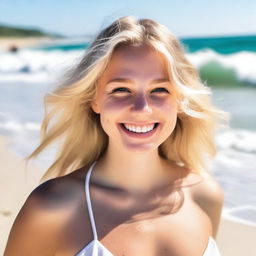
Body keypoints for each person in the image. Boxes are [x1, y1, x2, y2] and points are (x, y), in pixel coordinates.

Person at [4, 16, 228, 256]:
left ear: (180, 101)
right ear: (95, 100)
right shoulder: (53, 207)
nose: (142, 108)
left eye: (159, 90)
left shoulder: (205, 196)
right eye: (121, 89)